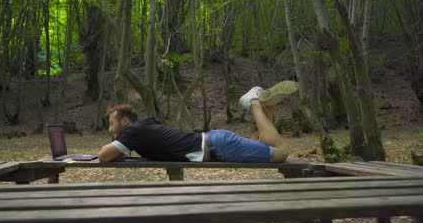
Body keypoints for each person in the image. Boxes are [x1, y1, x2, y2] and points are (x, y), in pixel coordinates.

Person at [98, 81, 299, 163]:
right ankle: (267, 108)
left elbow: (103, 156)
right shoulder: (142, 129)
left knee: (281, 153)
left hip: (219, 146)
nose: (110, 129)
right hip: (217, 144)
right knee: (267, 144)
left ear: (125, 121)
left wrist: (111, 148)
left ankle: (254, 100)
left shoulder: (134, 132)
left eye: (111, 124)